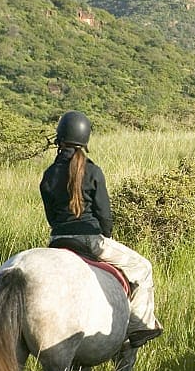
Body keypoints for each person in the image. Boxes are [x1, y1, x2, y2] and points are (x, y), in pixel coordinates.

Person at [40, 110, 163, 347]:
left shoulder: (49, 174)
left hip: (57, 240)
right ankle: (140, 326)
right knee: (143, 267)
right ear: (85, 139)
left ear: (59, 138)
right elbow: (104, 214)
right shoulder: (93, 171)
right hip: (89, 240)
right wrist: (105, 235)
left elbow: (51, 216)